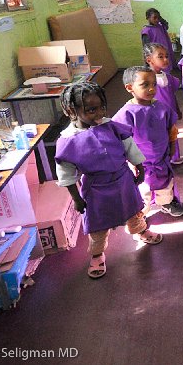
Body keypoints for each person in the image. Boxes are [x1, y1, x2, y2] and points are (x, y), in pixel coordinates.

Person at [55, 82, 162, 280]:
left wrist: (138, 166)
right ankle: (97, 254)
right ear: (71, 110)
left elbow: (129, 145)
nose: (99, 114)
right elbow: (66, 174)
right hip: (96, 188)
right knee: (98, 223)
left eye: (102, 107)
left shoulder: (110, 126)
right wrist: (76, 198)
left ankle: (140, 230)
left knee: (133, 210)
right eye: (91, 110)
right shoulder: (67, 141)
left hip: (123, 180)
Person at [112, 66, 183, 218]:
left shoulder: (160, 107)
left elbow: (171, 129)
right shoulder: (126, 114)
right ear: (130, 88)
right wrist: (128, 161)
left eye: (154, 84)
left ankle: (166, 203)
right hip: (140, 162)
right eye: (145, 85)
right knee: (142, 187)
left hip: (161, 157)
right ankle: (141, 211)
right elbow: (119, 140)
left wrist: (172, 145)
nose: (151, 89)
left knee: (165, 183)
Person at [143, 43, 183, 166]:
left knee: (172, 133)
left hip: (169, 113)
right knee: (159, 137)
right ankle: (162, 158)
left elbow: (172, 95)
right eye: (160, 57)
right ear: (149, 60)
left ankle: (174, 156)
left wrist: (177, 109)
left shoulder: (168, 77)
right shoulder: (145, 79)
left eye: (166, 56)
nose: (166, 59)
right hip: (155, 116)